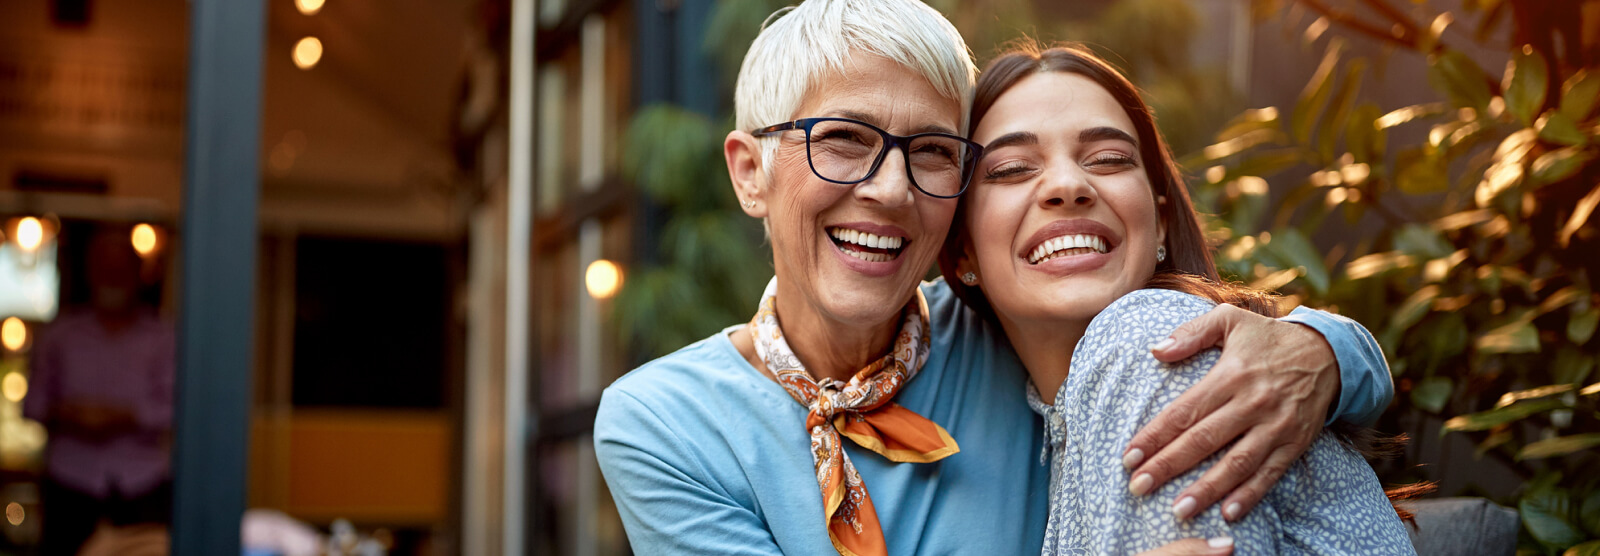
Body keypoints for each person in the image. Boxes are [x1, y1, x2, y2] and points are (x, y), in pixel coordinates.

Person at [594, 1, 1393, 554]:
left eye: (934, 152)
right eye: (842, 139)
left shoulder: (1013, 331)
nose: (891, 189)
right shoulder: (662, 422)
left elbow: (1164, 333)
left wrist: (1322, 351)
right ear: (750, 173)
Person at [940, 43, 1414, 554]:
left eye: (1109, 159)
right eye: (1011, 168)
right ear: (962, 250)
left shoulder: (1147, 342)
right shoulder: (1029, 400)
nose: (1068, 184)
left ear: (1161, 221)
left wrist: (1334, 349)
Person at [25, 228, 175, 556]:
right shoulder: (60, 335)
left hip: (142, 483)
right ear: (90, 272)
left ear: (138, 275)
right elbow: (32, 405)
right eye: (106, 269)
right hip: (70, 482)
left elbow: (178, 409)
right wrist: (69, 413)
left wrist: (125, 416)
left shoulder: (162, 338)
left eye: (121, 270)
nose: (113, 277)